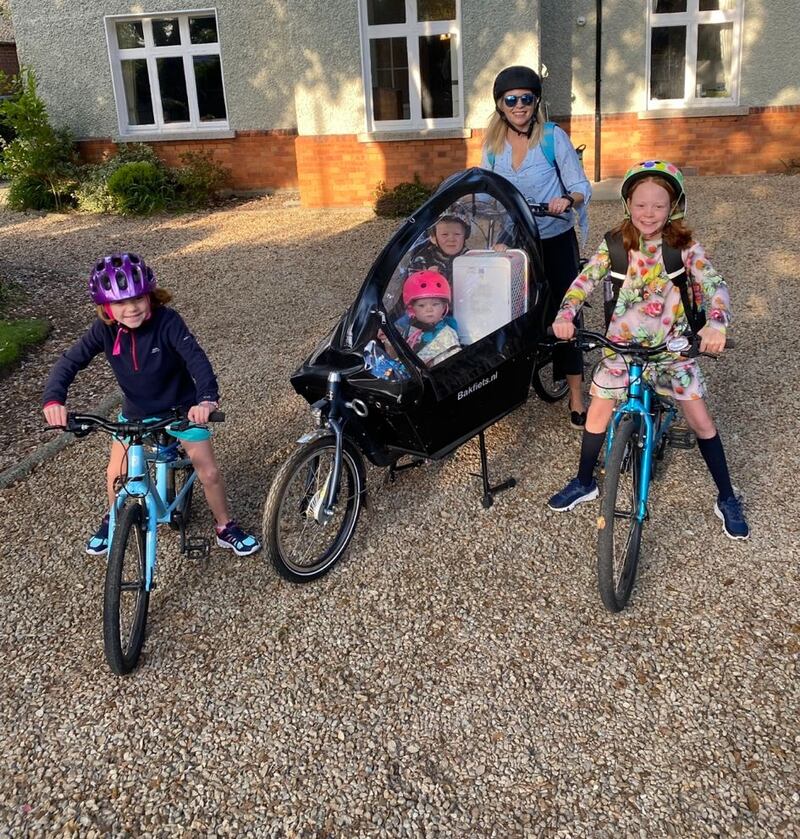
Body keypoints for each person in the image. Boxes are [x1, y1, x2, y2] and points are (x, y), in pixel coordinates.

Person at [547, 161, 749, 540]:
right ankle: (584, 480)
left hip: (672, 350)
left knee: (701, 421)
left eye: (659, 205)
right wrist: (565, 315)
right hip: (620, 348)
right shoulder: (614, 244)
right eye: (641, 205)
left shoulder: (682, 246)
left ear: (673, 206)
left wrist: (716, 323)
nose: (649, 214)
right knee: (597, 414)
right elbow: (582, 282)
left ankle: (726, 496)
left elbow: (715, 284)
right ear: (628, 204)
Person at [42, 253, 262, 556]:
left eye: (138, 299)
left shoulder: (167, 321)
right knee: (115, 474)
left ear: (150, 296)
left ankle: (225, 527)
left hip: (181, 408)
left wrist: (206, 398)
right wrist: (54, 399)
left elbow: (195, 358)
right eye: (120, 303)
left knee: (208, 472)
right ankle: (114, 517)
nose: (131, 308)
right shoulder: (103, 330)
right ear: (106, 307)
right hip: (136, 412)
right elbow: (69, 362)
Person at [481, 65, 591, 428]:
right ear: (501, 105)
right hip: (518, 239)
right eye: (511, 99)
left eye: (526, 98)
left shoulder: (551, 137)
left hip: (555, 237)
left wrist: (566, 200)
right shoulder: (493, 144)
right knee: (506, 311)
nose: (519, 105)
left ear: (535, 101)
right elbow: (489, 191)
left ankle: (576, 395)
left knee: (566, 312)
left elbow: (580, 185)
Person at [382, 270, 460, 368]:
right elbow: (395, 356)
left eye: (435, 304)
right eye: (421, 305)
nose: (429, 309)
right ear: (412, 309)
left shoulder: (447, 335)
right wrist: (387, 339)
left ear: (444, 307)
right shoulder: (407, 328)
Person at [403, 207, 470, 282]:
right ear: (433, 238)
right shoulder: (422, 259)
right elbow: (411, 285)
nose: (451, 239)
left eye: (457, 234)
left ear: (465, 236)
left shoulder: (471, 258)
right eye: (444, 234)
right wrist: (426, 277)